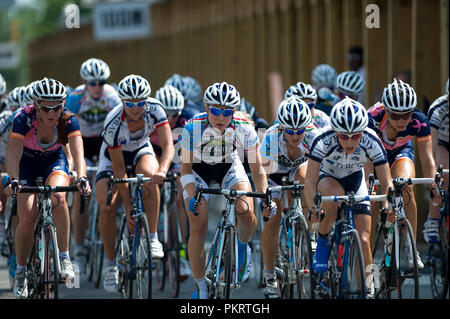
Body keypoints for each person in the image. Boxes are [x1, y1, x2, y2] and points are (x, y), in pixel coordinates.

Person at [179, 81, 276, 299]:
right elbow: (184, 170)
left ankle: (243, 248)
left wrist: (265, 198)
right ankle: (201, 288)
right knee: (198, 225)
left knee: (247, 212)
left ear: (234, 111)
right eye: (216, 110)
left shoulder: (243, 127)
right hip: (198, 172)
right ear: (206, 109)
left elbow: (257, 168)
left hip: (228, 167)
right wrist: (193, 193)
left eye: (227, 112)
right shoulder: (192, 127)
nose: (221, 117)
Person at [4, 77, 91, 298]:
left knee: (59, 198)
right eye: (46, 107)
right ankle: (22, 271)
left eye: (57, 107)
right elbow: (13, 155)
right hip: (27, 165)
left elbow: (78, 153)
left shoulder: (67, 120)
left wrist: (81, 177)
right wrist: (13, 179)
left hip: (54, 161)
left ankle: (64, 256)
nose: (52, 113)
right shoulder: (23, 118)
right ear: (36, 105)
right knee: (28, 217)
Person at [304, 97, 393, 297]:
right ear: (335, 132)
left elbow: (386, 181)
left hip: (356, 180)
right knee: (335, 194)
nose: (351, 141)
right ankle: (324, 240)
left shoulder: (371, 139)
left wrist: (388, 204)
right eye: (344, 136)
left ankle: (369, 288)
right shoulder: (322, 138)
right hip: (329, 178)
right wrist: (314, 209)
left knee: (363, 239)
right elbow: (309, 182)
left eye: (356, 136)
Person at [95, 74, 174, 293]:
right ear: (122, 101)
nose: (136, 108)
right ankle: (111, 264)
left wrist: (163, 170)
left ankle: (153, 238)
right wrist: (129, 205)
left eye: (140, 103)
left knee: (149, 176)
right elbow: (119, 168)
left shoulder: (156, 109)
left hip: (141, 149)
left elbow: (168, 146)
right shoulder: (112, 122)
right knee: (107, 206)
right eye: (130, 104)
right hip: (113, 158)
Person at [366, 79, 441, 269]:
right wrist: (370, 186)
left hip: (400, 153)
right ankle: (367, 255)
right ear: (386, 110)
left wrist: (434, 183)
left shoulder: (419, 120)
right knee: (373, 203)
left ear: (412, 112)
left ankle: (411, 246)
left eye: (405, 115)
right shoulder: (372, 119)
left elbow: (427, 160)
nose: (401, 120)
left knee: (406, 187)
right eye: (395, 115)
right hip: (373, 158)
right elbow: (366, 161)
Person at [259, 95, 320, 298]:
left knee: (305, 180)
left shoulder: (313, 136)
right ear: (281, 127)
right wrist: (266, 202)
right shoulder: (271, 138)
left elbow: (320, 173)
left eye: (300, 131)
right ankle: (269, 276)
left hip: (297, 170)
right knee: (272, 220)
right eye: (290, 131)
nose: (295, 135)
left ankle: (310, 234)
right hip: (274, 174)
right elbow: (263, 178)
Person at [65, 57, 121, 272]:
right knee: (81, 191)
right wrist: (72, 163)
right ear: (84, 82)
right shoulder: (75, 98)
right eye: (92, 83)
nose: (97, 87)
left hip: (104, 143)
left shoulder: (112, 96)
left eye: (101, 81)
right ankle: (78, 245)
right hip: (82, 142)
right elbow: (66, 133)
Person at [152, 84, 196, 280]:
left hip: (177, 156)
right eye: (166, 114)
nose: (170, 119)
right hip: (156, 152)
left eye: (174, 115)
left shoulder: (188, 119)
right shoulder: (150, 118)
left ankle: (182, 249)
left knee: (179, 196)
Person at [0, 86, 25, 256]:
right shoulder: (3, 121)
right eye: (14, 108)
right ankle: (3, 225)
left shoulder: (32, 121)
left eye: (21, 109)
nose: (17, 113)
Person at [423, 78, 448, 243]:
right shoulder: (438, 109)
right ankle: (432, 218)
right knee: (442, 172)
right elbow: (432, 145)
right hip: (443, 143)